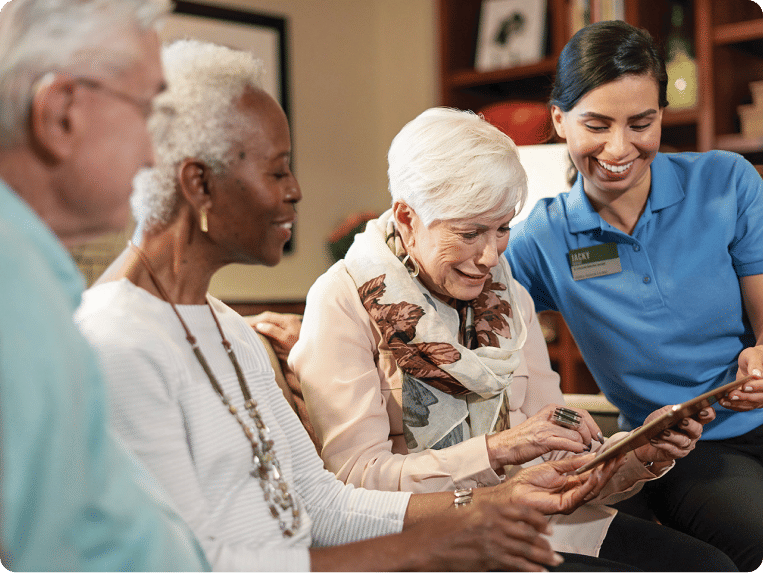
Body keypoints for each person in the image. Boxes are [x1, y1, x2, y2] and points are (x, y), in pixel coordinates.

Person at [74, 39, 633, 573]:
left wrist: (481, 510)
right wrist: (449, 535)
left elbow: (323, 504)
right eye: (276, 169)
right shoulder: (115, 342)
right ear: (198, 183)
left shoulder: (226, 327)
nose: (295, 190)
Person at [287, 106, 738, 572]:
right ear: (407, 217)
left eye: (502, 228)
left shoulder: (509, 295)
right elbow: (356, 483)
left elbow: (557, 457)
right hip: (428, 540)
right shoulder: (342, 300)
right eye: (469, 233)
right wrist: (500, 448)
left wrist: (636, 454)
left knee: (711, 567)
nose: (489, 256)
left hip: (530, 518)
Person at [504, 20, 763, 572]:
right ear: (559, 120)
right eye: (596, 124)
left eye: (641, 123)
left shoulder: (727, 182)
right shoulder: (543, 240)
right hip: (688, 450)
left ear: (661, 117)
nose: (619, 148)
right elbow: (463, 295)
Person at [0, 0, 210, 571]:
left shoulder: (34, 284)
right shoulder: (13, 301)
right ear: (61, 113)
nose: (150, 155)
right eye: (148, 112)